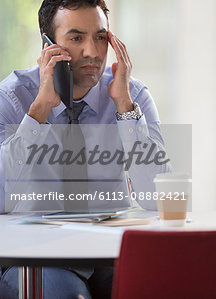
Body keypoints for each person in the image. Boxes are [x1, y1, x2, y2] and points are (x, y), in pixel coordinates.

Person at [0, 0, 170, 297]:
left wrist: (124, 108)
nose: (92, 52)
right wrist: (39, 111)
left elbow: (158, 199)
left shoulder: (132, 96)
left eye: (100, 37)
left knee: (159, 285)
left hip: (108, 254)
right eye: (76, 38)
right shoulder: (13, 97)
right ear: (47, 45)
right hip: (35, 256)